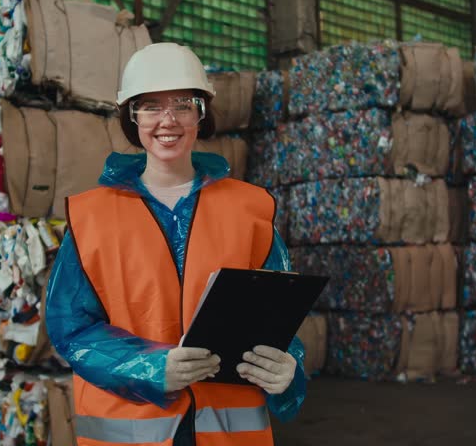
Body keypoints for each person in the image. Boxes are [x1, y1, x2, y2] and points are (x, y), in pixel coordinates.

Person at [46, 43, 306, 445]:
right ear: (132, 116)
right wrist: (150, 368)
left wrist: (290, 369)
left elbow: (278, 317)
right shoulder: (89, 217)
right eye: (150, 106)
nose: (168, 120)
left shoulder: (251, 209)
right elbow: (72, 330)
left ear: (201, 114)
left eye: (183, 104)